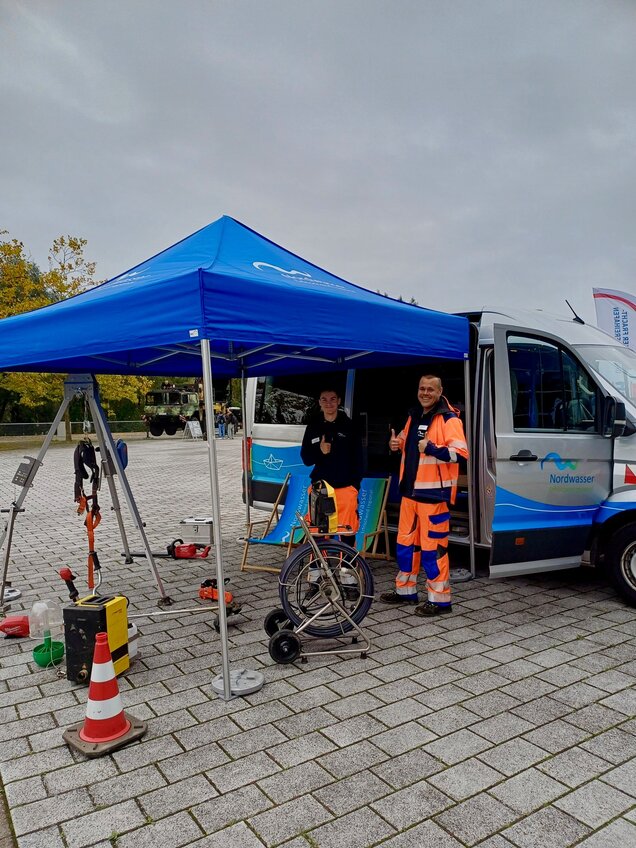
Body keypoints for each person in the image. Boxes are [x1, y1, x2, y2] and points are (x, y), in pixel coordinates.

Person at [381, 375, 469, 616]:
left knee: (433, 550)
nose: (425, 393)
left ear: (440, 391)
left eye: (431, 389)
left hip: (433, 497)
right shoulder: (414, 415)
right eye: (422, 388)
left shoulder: (450, 419)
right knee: (405, 546)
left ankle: (440, 601)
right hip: (409, 493)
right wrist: (395, 444)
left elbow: (461, 454)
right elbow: (403, 441)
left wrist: (431, 448)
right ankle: (405, 591)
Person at [300, 388, 363, 544]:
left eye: (332, 399)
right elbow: (306, 459)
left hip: (345, 487)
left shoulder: (350, 426)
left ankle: (347, 567)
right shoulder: (313, 427)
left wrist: (355, 485)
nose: (329, 403)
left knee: (347, 530)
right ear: (319, 402)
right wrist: (320, 452)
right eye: (324, 399)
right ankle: (317, 566)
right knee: (318, 530)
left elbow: (360, 459)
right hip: (320, 488)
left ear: (339, 401)